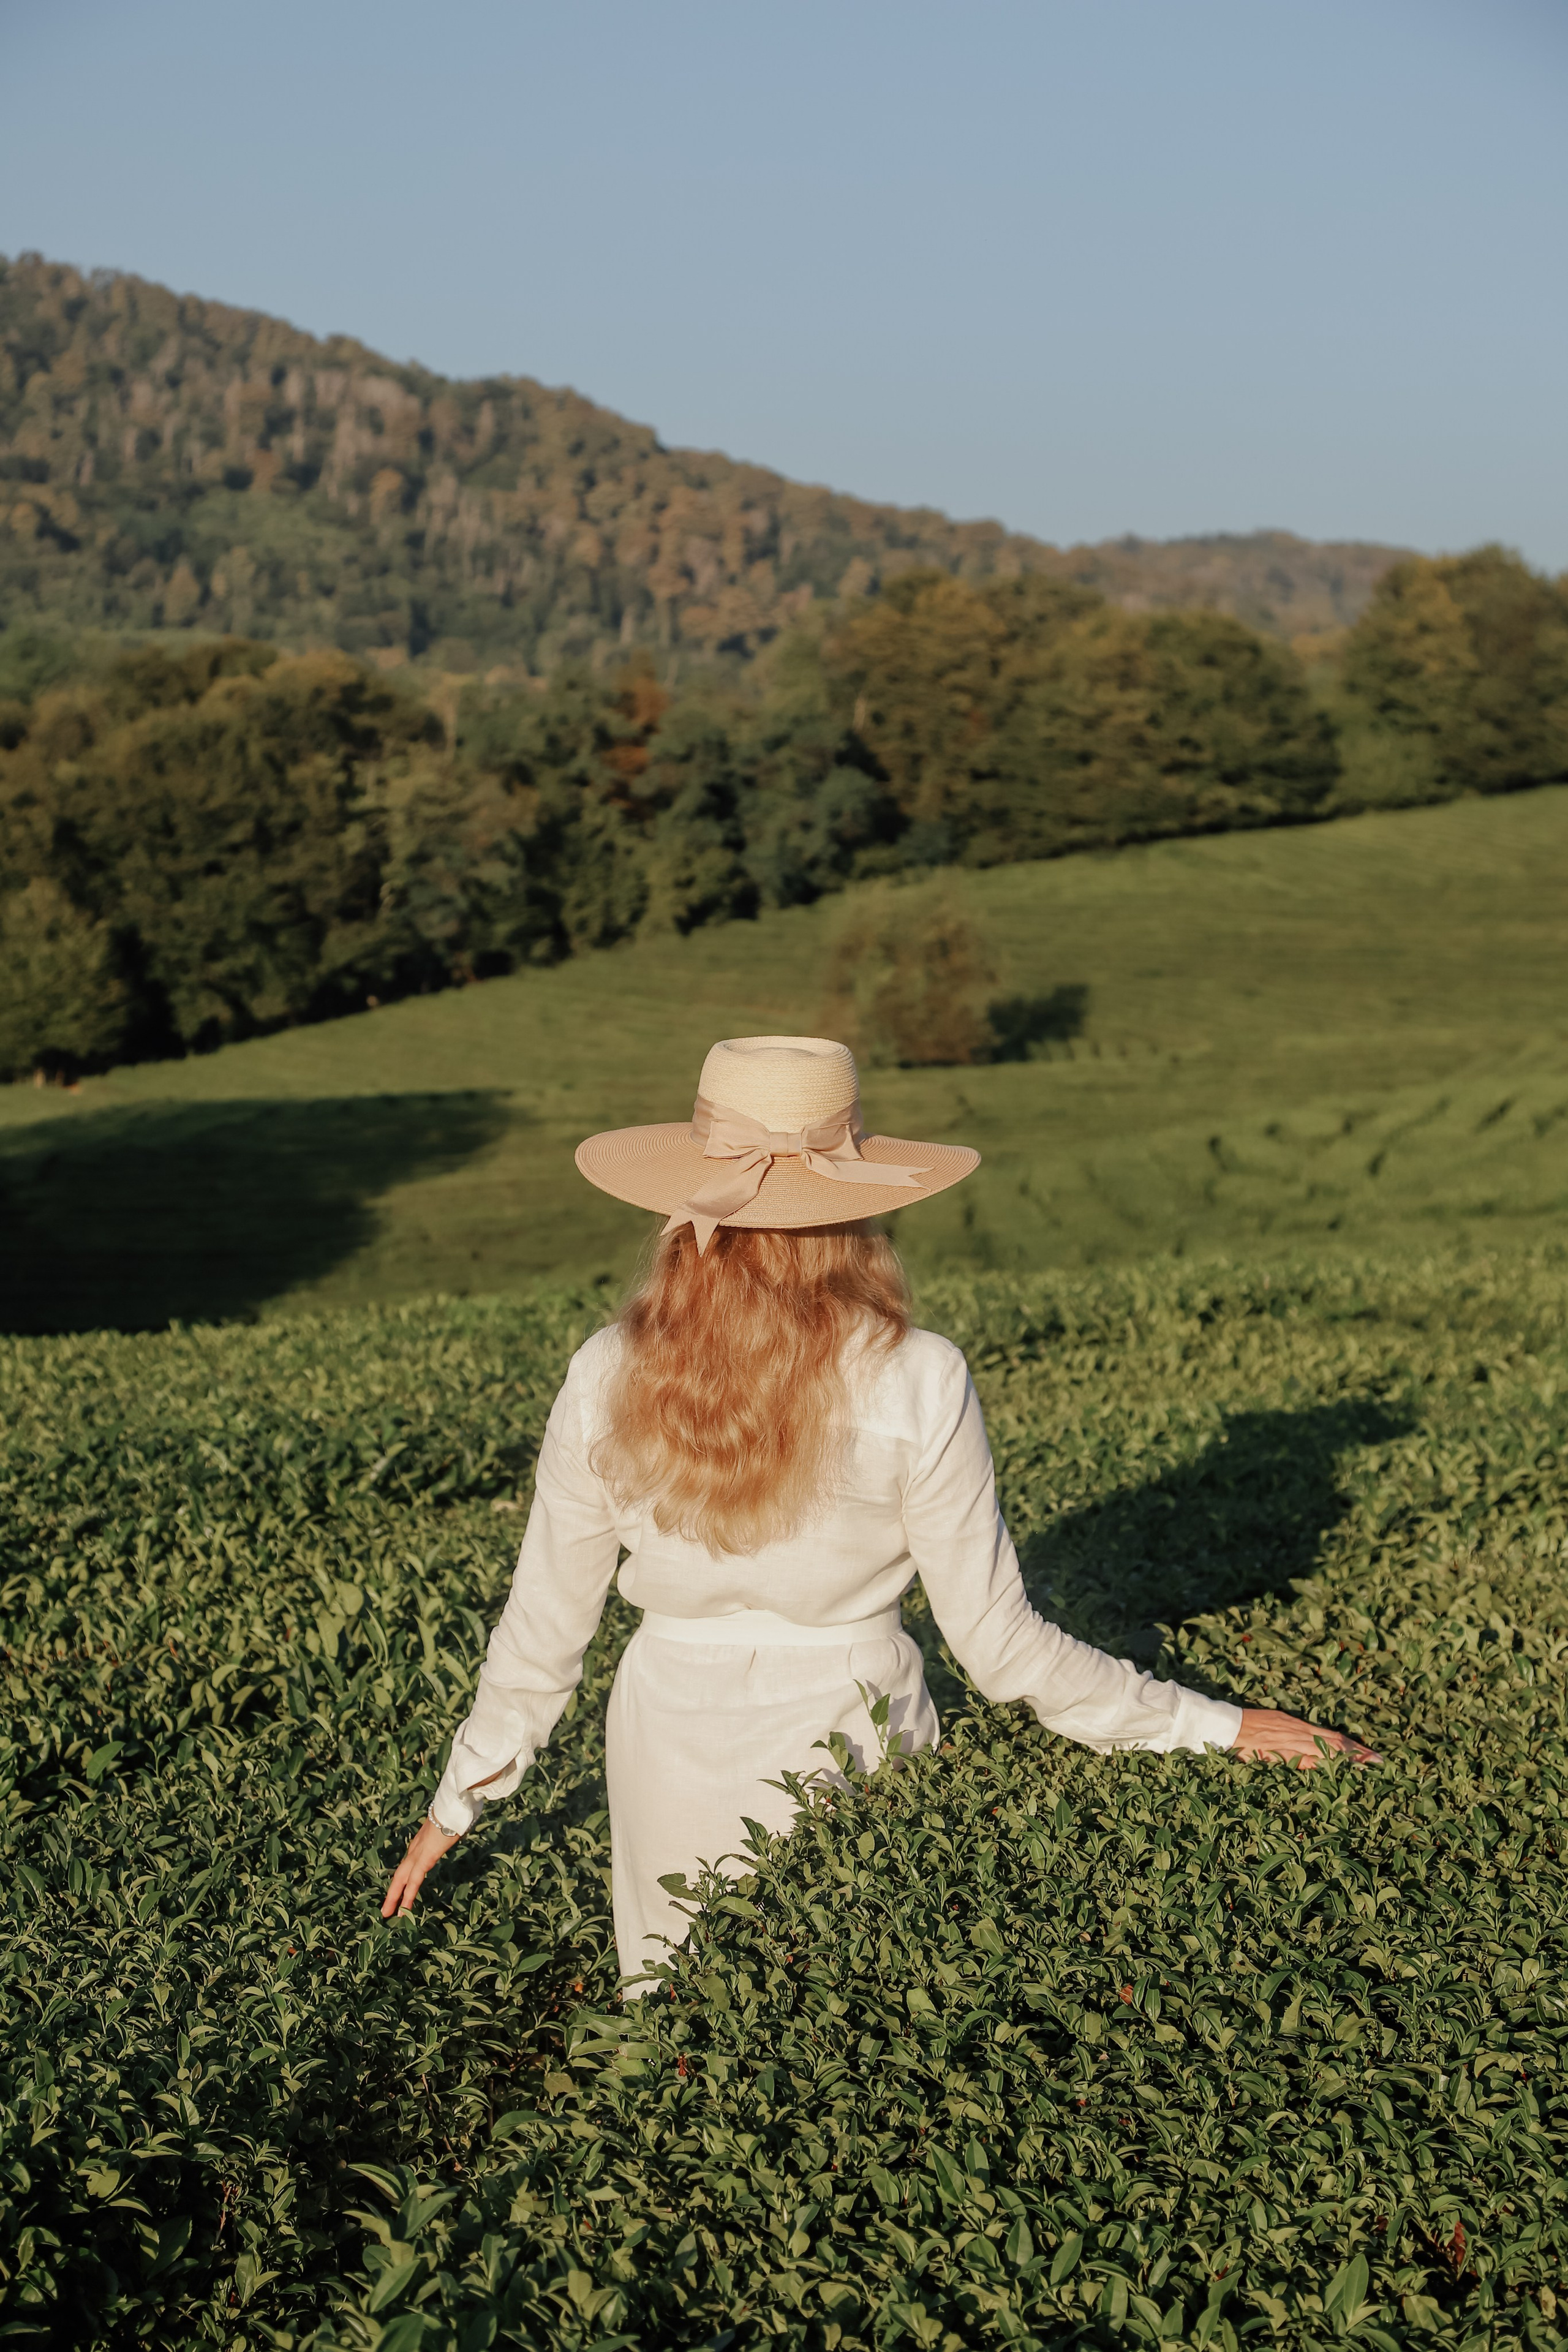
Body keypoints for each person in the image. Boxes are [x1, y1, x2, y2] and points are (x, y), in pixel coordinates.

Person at [382, 1035, 1376, 1989]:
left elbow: (544, 1627)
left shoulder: (609, 1369)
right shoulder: (919, 1375)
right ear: (853, 1200)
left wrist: (457, 1803)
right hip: (855, 1725)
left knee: (679, 2025)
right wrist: (1212, 1723)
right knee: (857, 2008)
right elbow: (1004, 1653)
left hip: (663, 1729)